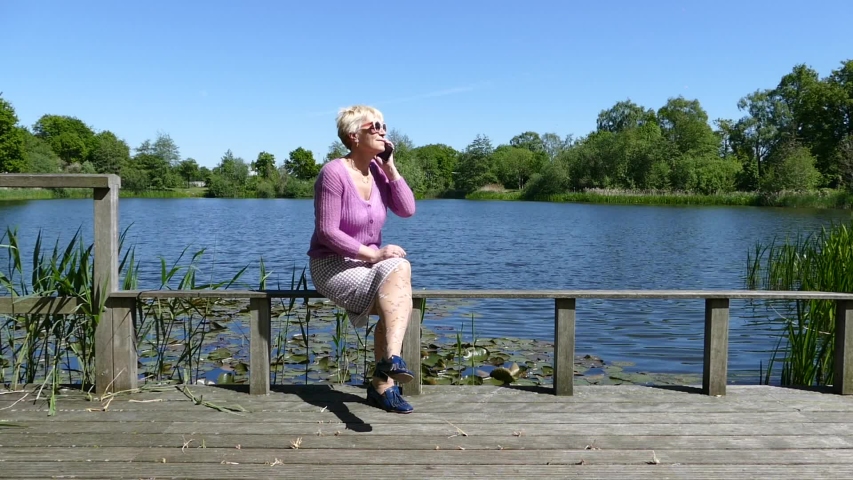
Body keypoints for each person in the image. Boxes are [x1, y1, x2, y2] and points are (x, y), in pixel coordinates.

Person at [307, 105, 417, 414]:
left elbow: (407, 209)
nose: (383, 130)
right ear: (354, 136)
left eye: (384, 125)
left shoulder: (379, 173)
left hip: (368, 265)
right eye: (375, 126)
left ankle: (388, 368)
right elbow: (327, 232)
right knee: (397, 283)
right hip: (333, 265)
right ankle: (384, 379)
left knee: (399, 274)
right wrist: (375, 253)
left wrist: (391, 167)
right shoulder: (333, 173)